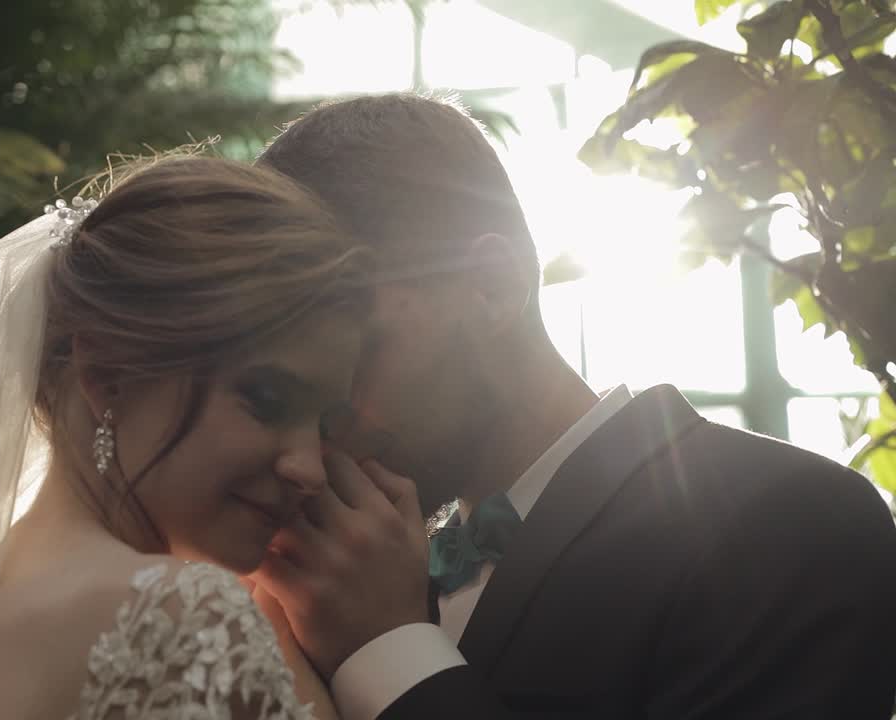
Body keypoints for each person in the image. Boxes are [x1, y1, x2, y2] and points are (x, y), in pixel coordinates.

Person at [254, 92, 896, 719]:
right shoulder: (371, 571)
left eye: (352, 360)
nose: (315, 439)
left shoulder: (790, 521)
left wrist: (386, 649)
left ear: (491, 286)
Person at [0, 155, 380, 719]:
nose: (311, 468)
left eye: (325, 426)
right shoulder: (184, 618)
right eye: (269, 401)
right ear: (109, 376)